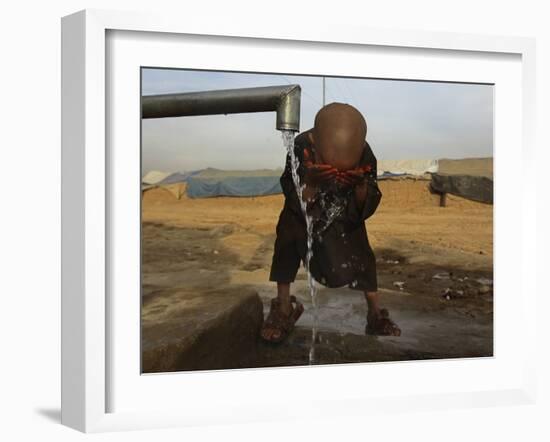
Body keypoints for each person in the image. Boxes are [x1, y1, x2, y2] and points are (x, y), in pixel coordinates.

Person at [261, 102, 401, 343]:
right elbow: (292, 194)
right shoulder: (300, 148)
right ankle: (283, 307)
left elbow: (369, 198)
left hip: (344, 212)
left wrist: (359, 187)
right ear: (314, 144)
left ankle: (375, 313)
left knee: (362, 252)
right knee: (287, 237)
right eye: (331, 168)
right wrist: (312, 184)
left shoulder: (364, 152)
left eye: (343, 170)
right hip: (303, 210)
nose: (337, 174)